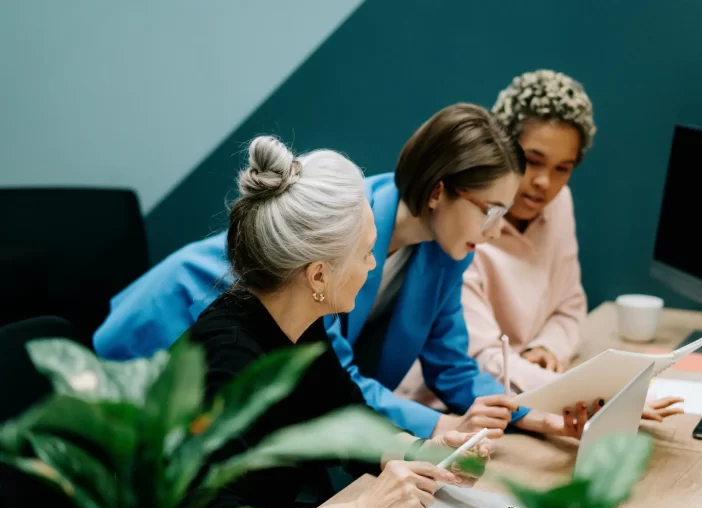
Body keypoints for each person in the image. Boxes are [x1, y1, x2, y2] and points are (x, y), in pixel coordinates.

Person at [95, 104, 593, 440]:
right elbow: (340, 377)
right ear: (439, 191)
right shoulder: (345, 235)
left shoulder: (447, 252)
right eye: (490, 211)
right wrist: (440, 428)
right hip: (175, 319)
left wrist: (533, 417)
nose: (495, 231)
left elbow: (452, 366)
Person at [191, 135, 490, 508]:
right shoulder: (226, 359)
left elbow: (346, 415)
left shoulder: (301, 324)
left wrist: (421, 452)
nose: (373, 265)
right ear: (318, 276)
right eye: (366, 253)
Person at [398, 70, 682, 422]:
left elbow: (569, 305)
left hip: (522, 393)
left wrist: (546, 347)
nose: (545, 183)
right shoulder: (463, 227)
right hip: (448, 406)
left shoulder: (559, 204)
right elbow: (477, 358)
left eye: (563, 168)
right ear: (502, 150)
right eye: (532, 161)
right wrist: (591, 392)